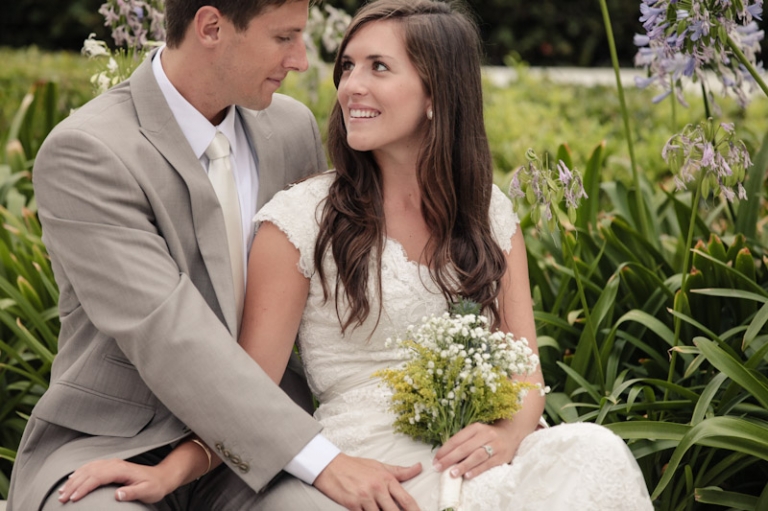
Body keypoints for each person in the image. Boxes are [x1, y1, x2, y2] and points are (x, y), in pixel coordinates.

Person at [54, 0, 655, 509]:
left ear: (435, 96)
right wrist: (175, 469)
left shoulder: (481, 207)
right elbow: (199, 348)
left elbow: (524, 367)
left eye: (378, 67)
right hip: (333, 445)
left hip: (469, 442)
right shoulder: (300, 218)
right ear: (211, 29)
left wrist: (511, 427)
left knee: (593, 453)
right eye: (346, 64)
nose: (341, 83)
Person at [7, 0, 424, 510]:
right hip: (117, 442)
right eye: (284, 37)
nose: (300, 59)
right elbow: (169, 332)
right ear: (211, 28)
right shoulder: (88, 151)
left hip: (262, 452)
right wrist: (323, 460)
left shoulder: (291, 129)